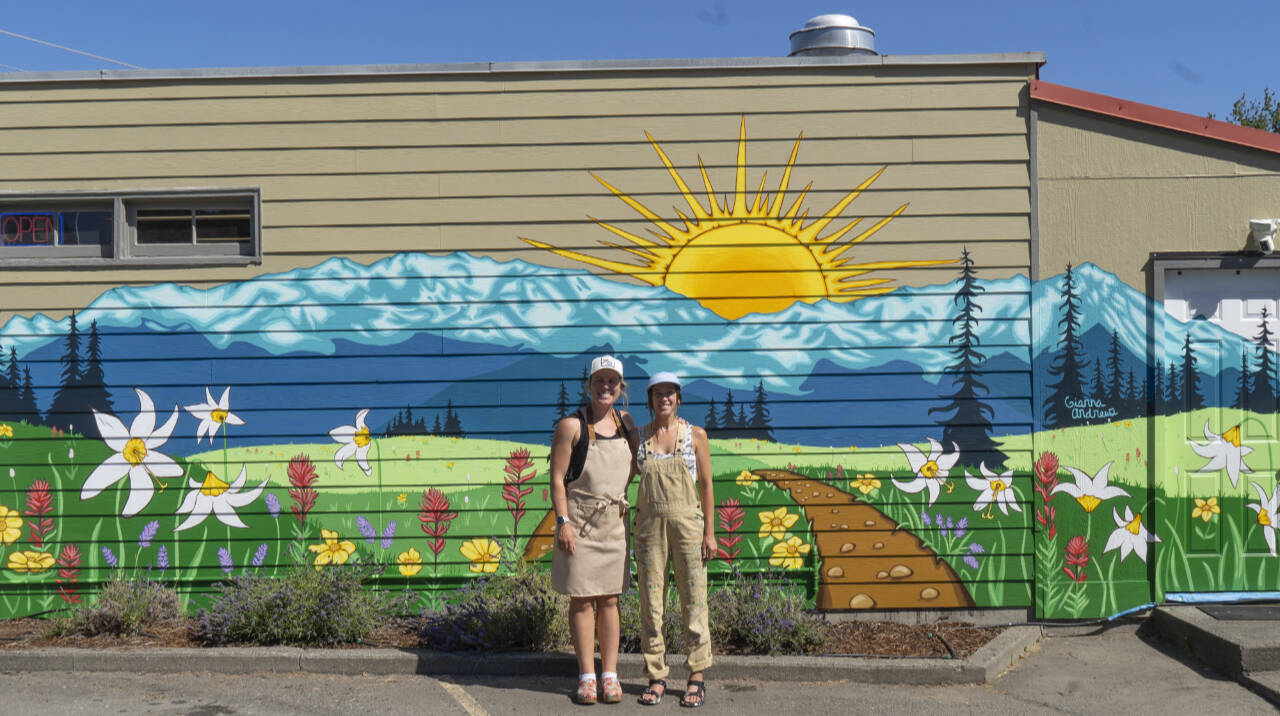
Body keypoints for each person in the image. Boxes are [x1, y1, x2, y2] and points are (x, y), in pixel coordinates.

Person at [550, 355, 637, 705]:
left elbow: (638, 467)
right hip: (580, 524)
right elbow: (557, 479)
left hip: (614, 525)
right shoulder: (570, 427)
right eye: (599, 381)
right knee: (583, 600)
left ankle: (610, 675)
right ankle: (587, 676)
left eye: (612, 382)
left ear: (621, 388)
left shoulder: (627, 423)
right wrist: (563, 522)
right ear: (589, 385)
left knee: (611, 599)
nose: (606, 387)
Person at [633, 371, 715, 708]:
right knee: (652, 606)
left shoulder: (695, 435)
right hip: (650, 530)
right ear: (650, 399)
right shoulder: (638, 438)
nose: (664, 398)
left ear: (678, 398)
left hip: (688, 527)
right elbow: (623, 478)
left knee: (694, 601)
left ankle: (696, 675)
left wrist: (710, 533)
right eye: (658, 393)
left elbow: (707, 485)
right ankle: (657, 675)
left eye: (670, 393)